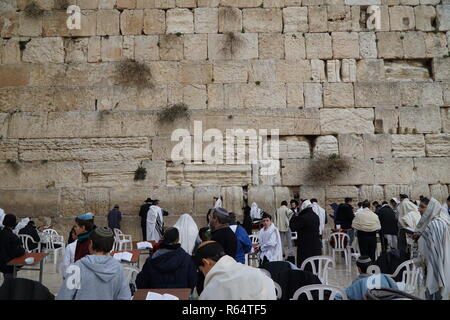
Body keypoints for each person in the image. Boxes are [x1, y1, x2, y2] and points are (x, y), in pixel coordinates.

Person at [57, 227, 131, 300]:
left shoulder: (77, 267)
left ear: (91, 243)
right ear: (111, 246)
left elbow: (64, 296)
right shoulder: (118, 269)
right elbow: (125, 296)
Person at [193, 241, 276, 300]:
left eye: (201, 270)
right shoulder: (260, 274)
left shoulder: (210, 291)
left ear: (206, 262)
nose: (204, 274)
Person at [413, 198, 450, 300]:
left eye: (422, 207)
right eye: (419, 206)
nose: (419, 209)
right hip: (434, 265)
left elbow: (435, 253)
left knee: (435, 291)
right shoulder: (437, 221)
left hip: (436, 266)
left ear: (431, 209)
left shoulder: (436, 224)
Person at [289, 200, 322, 268]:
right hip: (315, 247)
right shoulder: (316, 216)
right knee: (314, 267)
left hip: (305, 247)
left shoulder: (303, 217)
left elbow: (293, 227)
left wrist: (294, 217)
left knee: (305, 267)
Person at [0, 214, 25, 280]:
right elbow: (17, 252)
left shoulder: (1, 233)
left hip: (1, 263)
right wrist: (23, 250)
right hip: (10, 265)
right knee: (10, 283)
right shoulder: (13, 237)